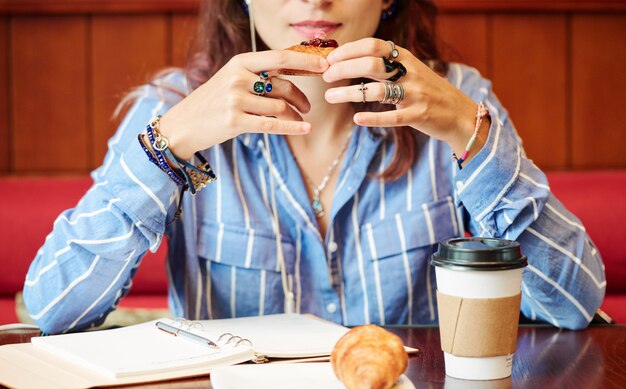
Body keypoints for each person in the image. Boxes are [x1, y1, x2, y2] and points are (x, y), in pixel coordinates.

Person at [23, 0, 605, 334]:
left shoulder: (457, 101)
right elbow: (53, 308)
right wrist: (168, 143)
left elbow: (574, 305)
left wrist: (470, 134)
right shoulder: (170, 111)